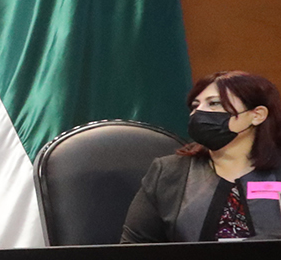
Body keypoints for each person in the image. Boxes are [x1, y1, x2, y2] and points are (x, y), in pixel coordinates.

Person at [120, 71, 281, 243]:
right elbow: (134, 248)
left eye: (214, 103)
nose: (199, 112)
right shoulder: (169, 172)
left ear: (257, 115)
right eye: (195, 106)